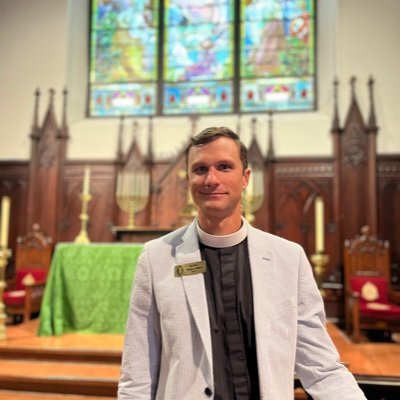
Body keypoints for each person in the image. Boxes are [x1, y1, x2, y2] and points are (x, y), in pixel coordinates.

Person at [118, 126, 366, 399]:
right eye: (200, 169)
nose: (211, 179)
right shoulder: (156, 258)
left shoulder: (288, 258)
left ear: (246, 177)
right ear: (187, 179)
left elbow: (321, 366)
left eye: (224, 167)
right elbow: (137, 371)